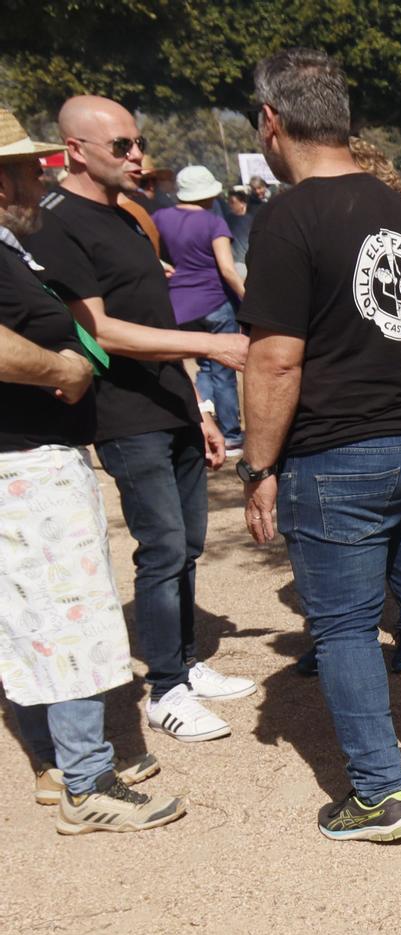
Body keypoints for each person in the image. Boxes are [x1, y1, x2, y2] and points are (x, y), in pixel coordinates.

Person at [237, 47, 401, 843]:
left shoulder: (285, 218)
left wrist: (258, 466)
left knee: (342, 626)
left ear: (272, 122)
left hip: (340, 453)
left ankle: (378, 795)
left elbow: (273, 358)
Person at [35, 95, 254, 744]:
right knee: (160, 548)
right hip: (125, 415)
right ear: (75, 150)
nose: (139, 156)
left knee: (185, 543)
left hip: (174, 404)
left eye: (138, 143)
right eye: (122, 146)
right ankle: (165, 689)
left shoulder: (130, 216)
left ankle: (182, 661)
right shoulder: (57, 222)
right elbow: (98, 328)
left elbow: (156, 320)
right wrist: (212, 347)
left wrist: (202, 406)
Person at [0, 108, 182, 832]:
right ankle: (86, 779)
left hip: (33, 455)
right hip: (24, 461)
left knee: (37, 617)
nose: (33, 176)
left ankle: (59, 761)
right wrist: (63, 366)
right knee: (65, 614)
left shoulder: (15, 244)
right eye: (18, 167)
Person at [156, 164, 246, 453]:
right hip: (215, 301)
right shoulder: (213, 222)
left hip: (179, 305)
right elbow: (228, 270)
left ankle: (201, 423)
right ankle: (231, 433)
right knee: (223, 371)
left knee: (203, 368)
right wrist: (247, 299)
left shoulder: (159, 218)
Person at [223, 187, 253, 266]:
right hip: (232, 262)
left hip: (247, 261)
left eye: (232, 202)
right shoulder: (226, 220)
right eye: (228, 202)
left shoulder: (251, 220)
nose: (229, 205)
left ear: (243, 203)